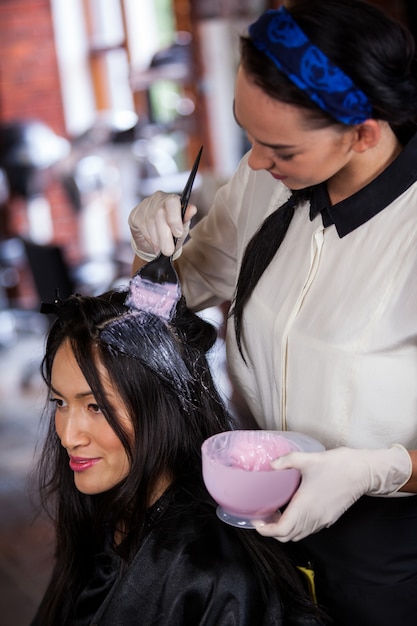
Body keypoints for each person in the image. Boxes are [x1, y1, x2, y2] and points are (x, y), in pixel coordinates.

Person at [127, 1, 417, 624]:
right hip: (263, 527)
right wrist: (151, 255)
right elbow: (167, 297)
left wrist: (378, 469)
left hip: (391, 553)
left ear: (364, 131)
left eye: (279, 148)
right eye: (247, 133)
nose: (255, 161)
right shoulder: (268, 184)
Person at [29, 282, 324, 625]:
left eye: (95, 406)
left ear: (163, 409)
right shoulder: (101, 516)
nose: (67, 436)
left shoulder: (213, 573)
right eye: (60, 402)